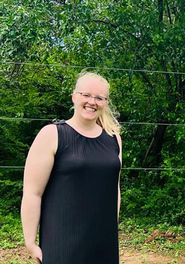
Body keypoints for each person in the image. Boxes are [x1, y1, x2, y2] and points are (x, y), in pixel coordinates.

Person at [21, 71, 122, 264]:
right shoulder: (51, 135)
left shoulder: (113, 138)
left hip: (103, 244)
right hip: (62, 244)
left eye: (99, 98)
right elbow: (33, 193)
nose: (92, 102)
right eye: (86, 95)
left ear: (106, 103)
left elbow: (114, 188)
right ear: (74, 97)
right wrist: (30, 242)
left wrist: (112, 226)